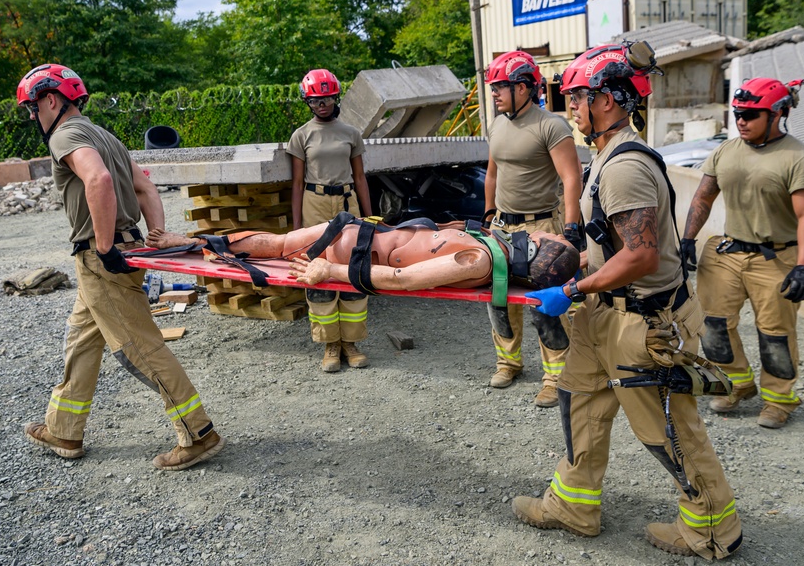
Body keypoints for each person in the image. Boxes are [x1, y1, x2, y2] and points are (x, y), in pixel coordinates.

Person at [513, 43, 742, 561]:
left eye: (577, 97)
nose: (570, 107)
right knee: (580, 400)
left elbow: (639, 256)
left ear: (609, 102)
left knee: (669, 430)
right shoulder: (606, 157)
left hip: (643, 322)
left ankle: (712, 531)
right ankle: (573, 506)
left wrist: (569, 290)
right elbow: (612, 246)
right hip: (605, 315)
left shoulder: (624, 168)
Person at [16, 63, 224, 471]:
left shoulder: (66, 134)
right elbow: (145, 187)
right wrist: (156, 234)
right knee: (82, 339)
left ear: (51, 100)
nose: (33, 117)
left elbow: (100, 182)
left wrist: (107, 246)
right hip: (118, 252)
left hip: (101, 256)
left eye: (32, 108)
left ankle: (199, 433)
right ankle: (64, 429)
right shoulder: (104, 136)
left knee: (140, 348)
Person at [681, 77, 804, 430]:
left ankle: (779, 400)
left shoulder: (799, 158)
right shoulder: (726, 151)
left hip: (775, 257)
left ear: (777, 114)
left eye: (751, 114)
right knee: (712, 324)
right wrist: (687, 239)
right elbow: (703, 197)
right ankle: (738, 383)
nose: (741, 120)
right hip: (727, 251)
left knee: (774, 333)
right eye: (738, 113)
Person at [483, 50, 583, 407]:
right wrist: (488, 211)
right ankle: (507, 363)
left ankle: (555, 377)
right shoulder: (497, 124)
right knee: (497, 300)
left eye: (500, 87)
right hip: (501, 227)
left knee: (544, 305)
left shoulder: (551, 126)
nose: (493, 93)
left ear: (524, 88)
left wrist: (571, 227)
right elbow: (492, 173)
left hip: (541, 227)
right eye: (493, 87)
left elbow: (572, 177)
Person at [144, 217, 580, 298]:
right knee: (278, 244)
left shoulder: (480, 260)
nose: (539, 232)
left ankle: (191, 242)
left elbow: (406, 280)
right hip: (364, 235)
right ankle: (194, 241)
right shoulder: (493, 247)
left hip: (353, 248)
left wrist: (331, 269)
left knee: (279, 247)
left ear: (534, 252)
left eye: (544, 238)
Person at [287, 69, 374, 373]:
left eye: (326, 98)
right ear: (307, 102)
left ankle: (351, 342)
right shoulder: (301, 135)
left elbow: (361, 177)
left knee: (352, 269)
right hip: (315, 204)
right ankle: (330, 345)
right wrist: (297, 226)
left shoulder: (351, 133)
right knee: (319, 271)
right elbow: (297, 183)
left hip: (348, 202)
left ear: (336, 97)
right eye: (314, 100)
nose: (321, 104)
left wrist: (369, 216)